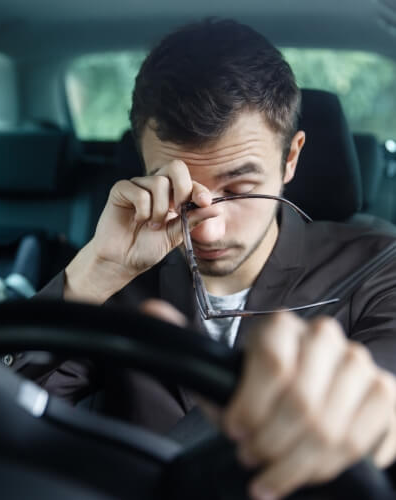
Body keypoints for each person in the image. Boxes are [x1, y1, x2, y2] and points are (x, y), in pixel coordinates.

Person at [28, 19, 396, 500]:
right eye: (182, 190)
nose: (207, 228)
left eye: (239, 189)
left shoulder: (377, 265)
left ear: (290, 159)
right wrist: (96, 270)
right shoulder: (119, 279)